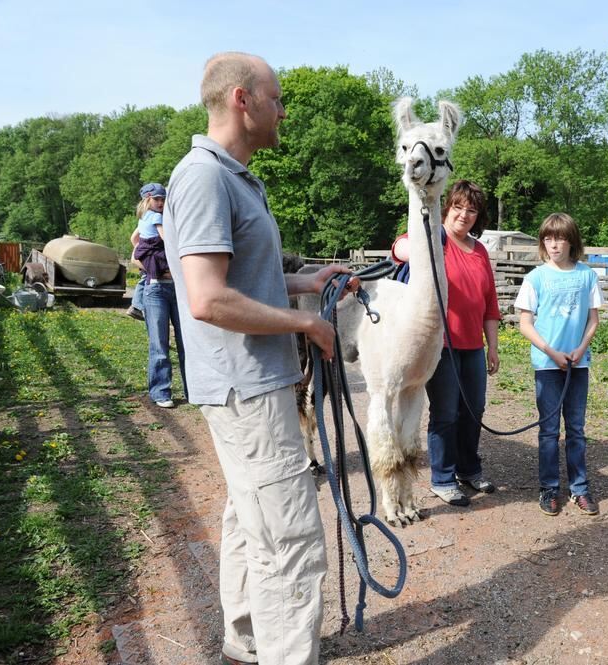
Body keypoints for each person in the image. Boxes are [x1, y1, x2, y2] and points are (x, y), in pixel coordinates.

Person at [162, 52, 355, 665]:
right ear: (242, 99)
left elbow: (245, 277)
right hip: (247, 387)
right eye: (275, 98)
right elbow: (208, 298)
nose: (283, 110)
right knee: (291, 539)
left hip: (252, 383)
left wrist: (308, 282)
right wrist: (306, 322)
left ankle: (246, 642)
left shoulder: (236, 178)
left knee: (251, 522)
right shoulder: (203, 178)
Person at [392, 180, 501, 507]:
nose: (464, 215)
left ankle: (468, 469)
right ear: (447, 208)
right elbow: (399, 247)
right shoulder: (434, 239)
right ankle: (442, 477)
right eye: (458, 207)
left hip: (473, 346)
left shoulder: (479, 250)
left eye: (471, 210)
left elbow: (490, 302)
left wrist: (492, 346)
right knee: (447, 413)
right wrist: (419, 251)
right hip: (440, 346)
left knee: (474, 410)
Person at [515, 213, 602, 517]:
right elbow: (525, 323)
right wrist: (550, 352)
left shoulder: (587, 276)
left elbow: (593, 320)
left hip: (578, 365)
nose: (554, 244)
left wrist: (580, 348)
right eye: (548, 238)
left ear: (571, 241)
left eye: (560, 238)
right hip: (548, 365)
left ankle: (580, 488)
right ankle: (549, 488)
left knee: (576, 429)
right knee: (549, 430)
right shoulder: (535, 278)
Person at [132, 183, 186, 408]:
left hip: (177, 288)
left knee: (187, 342)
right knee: (159, 343)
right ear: (147, 200)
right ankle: (161, 392)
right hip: (156, 288)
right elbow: (138, 247)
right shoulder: (154, 219)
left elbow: (134, 240)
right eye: (157, 199)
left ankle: (195, 390)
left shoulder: (157, 218)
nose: (161, 202)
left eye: (163, 198)